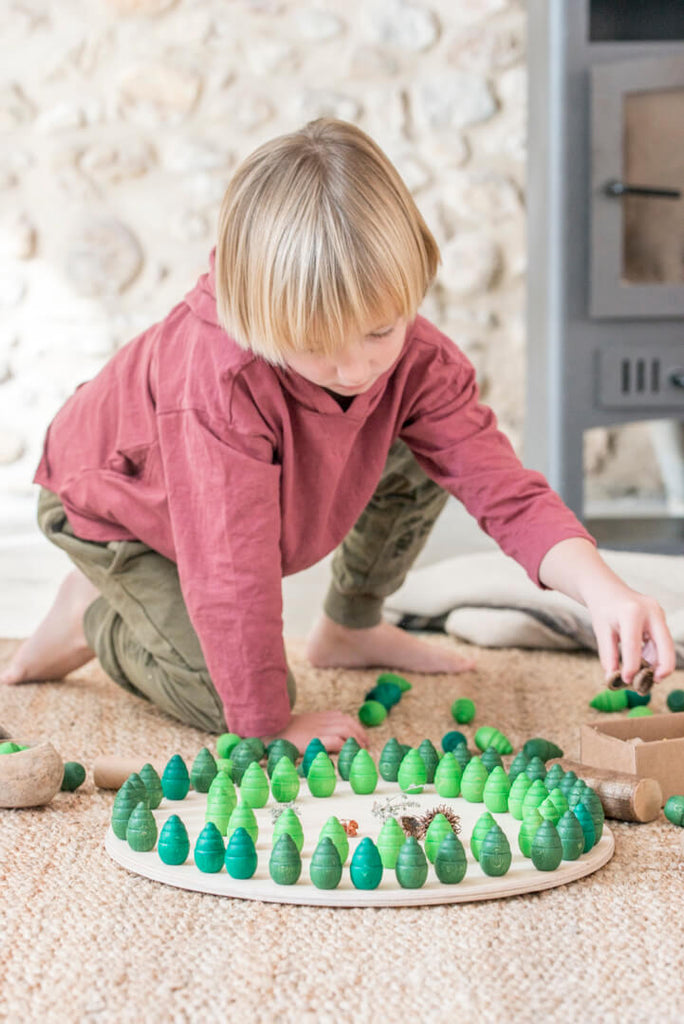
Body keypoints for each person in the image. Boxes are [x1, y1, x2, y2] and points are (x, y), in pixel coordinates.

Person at [0, 119, 675, 752]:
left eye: (381, 329)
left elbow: (501, 488)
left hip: (223, 517)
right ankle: (96, 611)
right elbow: (232, 571)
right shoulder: (216, 383)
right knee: (231, 701)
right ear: (256, 317)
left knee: (423, 451)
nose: (356, 368)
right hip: (118, 509)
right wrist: (268, 730)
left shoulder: (418, 364)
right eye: (316, 346)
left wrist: (603, 589)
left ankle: (349, 627)